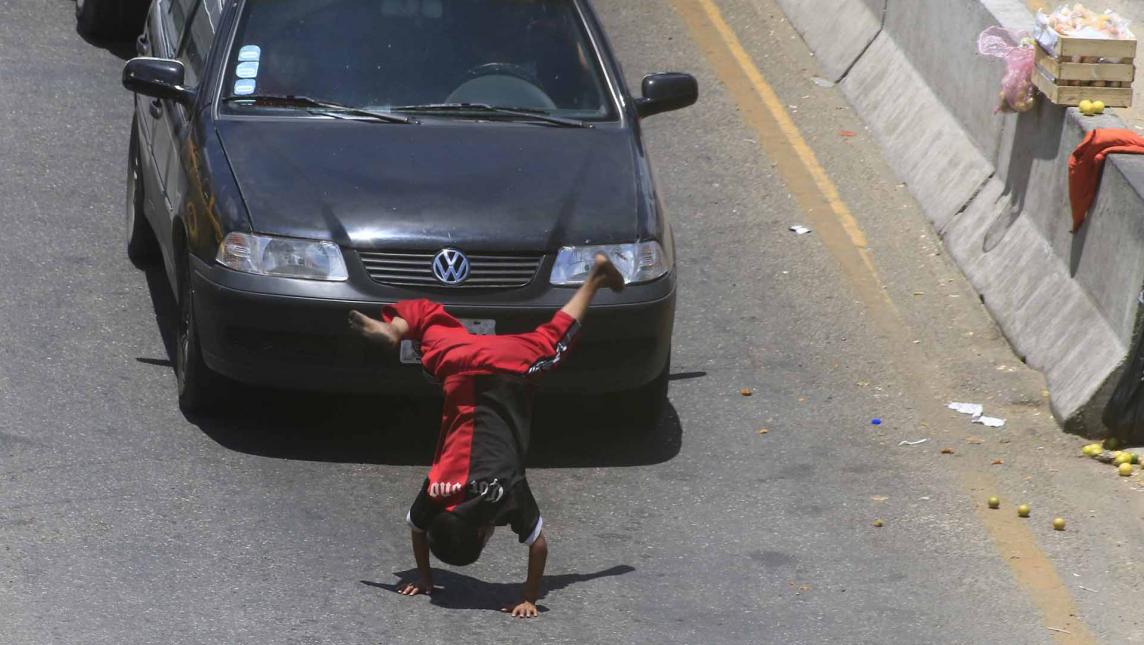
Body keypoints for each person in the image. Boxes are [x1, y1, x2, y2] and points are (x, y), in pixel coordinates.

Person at [348, 254, 625, 618]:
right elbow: (416, 528)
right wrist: (426, 578)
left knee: (553, 338)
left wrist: (529, 596)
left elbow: (538, 546)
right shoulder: (435, 490)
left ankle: (594, 279)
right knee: (429, 318)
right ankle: (397, 329)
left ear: (482, 534)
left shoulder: (506, 494)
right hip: (459, 362)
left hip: (509, 364)